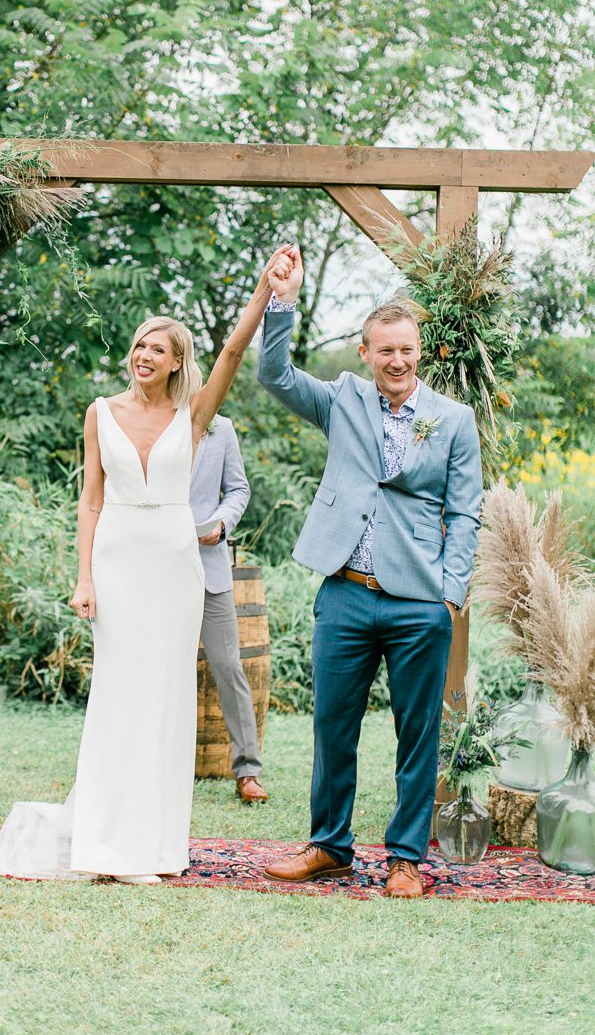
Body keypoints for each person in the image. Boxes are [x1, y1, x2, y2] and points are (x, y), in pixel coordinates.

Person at [0, 253, 286, 884]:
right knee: (118, 694)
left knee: (166, 700)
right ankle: (105, 842)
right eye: (138, 345)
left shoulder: (194, 416)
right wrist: (84, 577)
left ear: (177, 361)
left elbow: (234, 351)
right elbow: (90, 498)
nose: (144, 355)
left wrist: (264, 288)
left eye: (158, 348)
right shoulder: (101, 412)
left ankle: (154, 847)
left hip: (177, 561)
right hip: (120, 556)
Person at [258, 245, 482, 899]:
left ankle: (405, 859)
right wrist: (283, 301)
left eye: (406, 350)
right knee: (332, 726)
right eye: (384, 350)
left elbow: (467, 513)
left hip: (419, 604)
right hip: (345, 596)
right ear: (365, 353)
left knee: (417, 736)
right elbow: (274, 374)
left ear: (421, 351)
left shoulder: (452, 421)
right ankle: (329, 846)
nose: (397, 360)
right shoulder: (342, 401)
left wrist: (450, 594)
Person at [191, 416, 268, 802]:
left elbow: (238, 488)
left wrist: (221, 523)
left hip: (209, 564)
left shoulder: (220, 427)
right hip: (155, 569)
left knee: (228, 666)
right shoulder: (153, 417)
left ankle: (248, 770)